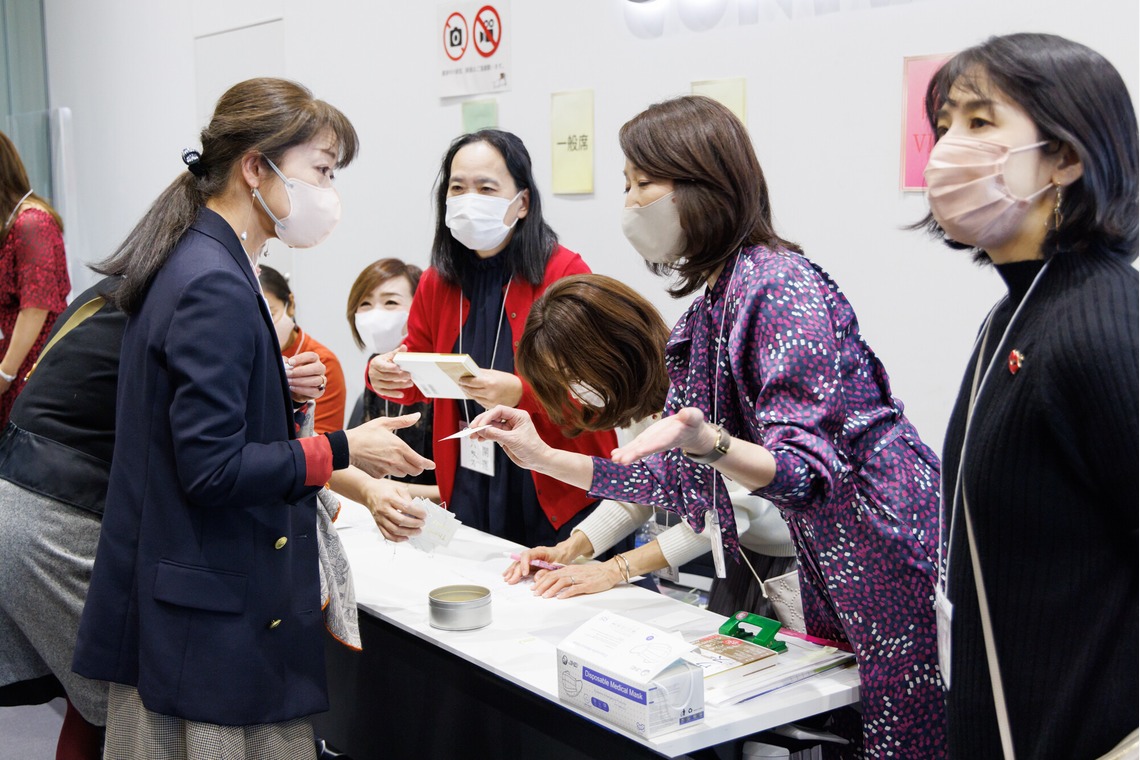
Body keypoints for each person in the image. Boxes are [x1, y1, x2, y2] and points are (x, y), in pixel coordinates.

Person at [473, 96, 946, 757]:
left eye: (644, 184)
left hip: (882, 554)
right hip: (831, 567)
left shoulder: (777, 285)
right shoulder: (713, 310)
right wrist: (541, 458)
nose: (631, 204)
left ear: (705, 184)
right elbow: (668, 480)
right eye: (627, 186)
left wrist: (712, 448)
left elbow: (797, 474)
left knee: (905, 739)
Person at [70, 77, 433, 758]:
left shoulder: (202, 259)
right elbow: (211, 469)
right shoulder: (214, 280)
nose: (329, 195)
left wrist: (274, 388)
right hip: (211, 619)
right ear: (255, 167)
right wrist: (343, 447)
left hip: (195, 597)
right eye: (321, 171)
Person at [917, 33, 1137, 758]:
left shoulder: (1103, 326)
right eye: (945, 124)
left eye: (980, 123)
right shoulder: (1017, 311)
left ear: (1067, 159)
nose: (947, 147)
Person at [367, 129, 621, 551]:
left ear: (521, 203)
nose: (469, 199)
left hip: (551, 482)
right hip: (471, 474)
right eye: (457, 187)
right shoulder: (438, 280)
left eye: (486, 188)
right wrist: (384, 370)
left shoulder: (564, 273)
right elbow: (417, 370)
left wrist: (521, 391)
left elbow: (597, 393)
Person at [500, 274, 798, 619]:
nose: (574, 390)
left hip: (795, 558)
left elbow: (721, 517)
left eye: (572, 373)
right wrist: (569, 548)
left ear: (613, 347)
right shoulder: (641, 402)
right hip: (742, 553)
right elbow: (636, 490)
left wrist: (614, 570)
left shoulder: (704, 389)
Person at [346, 257, 439, 503]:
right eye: (365, 303)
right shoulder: (375, 373)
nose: (375, 314)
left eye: (390, 302)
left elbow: (450, 488)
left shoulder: (436, 382)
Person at [0, 130, 70, 426]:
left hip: (31, 369)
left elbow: (36, 307)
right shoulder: (12, 223)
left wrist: (5, 374)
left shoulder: (31, 224)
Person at [259, 264, 347, 434]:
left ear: (290, 304)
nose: (261, 326)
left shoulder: (321, 364)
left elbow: (323, 446)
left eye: (270, 313)